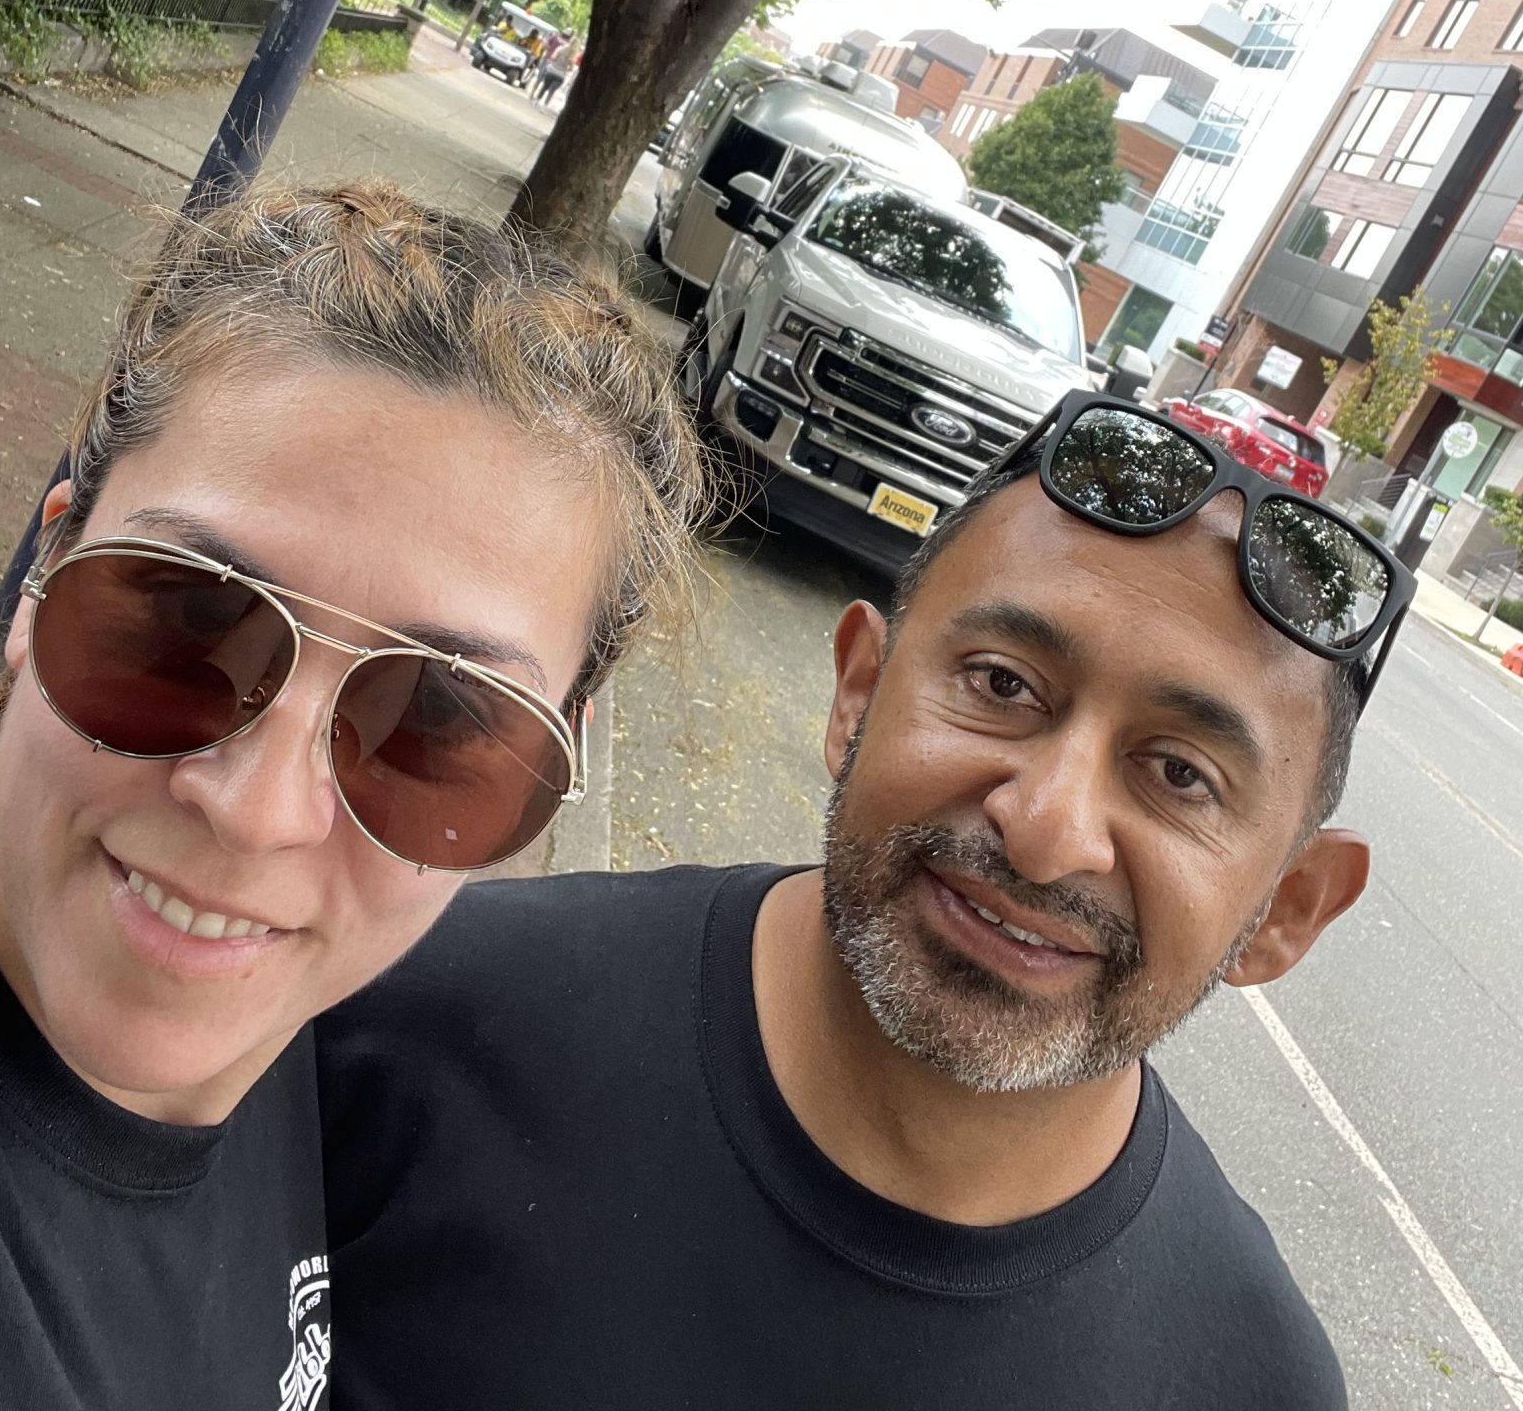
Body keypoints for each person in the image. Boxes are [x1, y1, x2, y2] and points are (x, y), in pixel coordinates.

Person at [318, 391, 1416, 1409]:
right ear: (857, 692)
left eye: (1180, 774)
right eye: (1002, 684)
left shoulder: (1252, 1382)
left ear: (1287, 910)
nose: (1047, 829)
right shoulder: (399, 1029)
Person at [0, 181, 705, 1411]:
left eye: (436, 718)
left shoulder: (331, 1055)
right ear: (47, 567)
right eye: (185, 619)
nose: (259, 808)